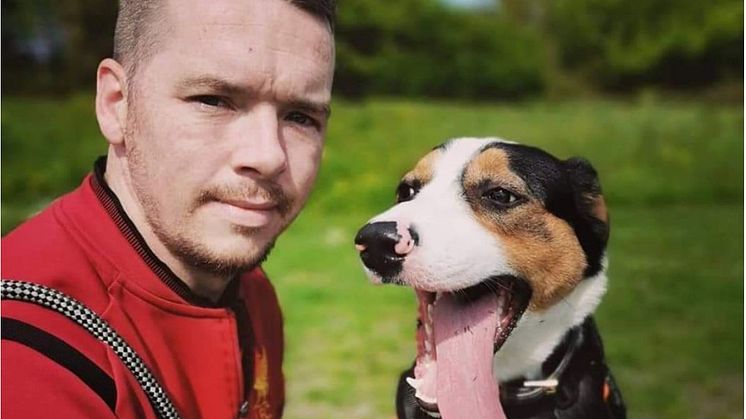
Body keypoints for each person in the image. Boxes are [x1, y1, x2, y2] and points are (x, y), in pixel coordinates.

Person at [1, 0, 335, 417]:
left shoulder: (251, 291)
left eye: (301, 117)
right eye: (213, 100)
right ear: (115, 103)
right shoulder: (25, 352)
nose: (269, 156)